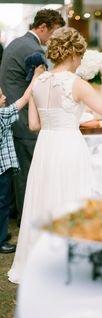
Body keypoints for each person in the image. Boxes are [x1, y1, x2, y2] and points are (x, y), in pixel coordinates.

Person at [8, 27, 102, 284]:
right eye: (80, 54)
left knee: (43, 199)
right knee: (69, 198)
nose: (81, 60)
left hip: (46, 146)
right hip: (68, 146)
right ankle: (66, 261)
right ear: (73, 53)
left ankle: (39, 260)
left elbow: (34, 125)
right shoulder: (76, 83)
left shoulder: (38, 82)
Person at [0, 9, 65, 224]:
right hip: (23, 118)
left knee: (15, 171)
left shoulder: (16, 43)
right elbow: (43, 85)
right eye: (53, 32)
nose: (53, 38)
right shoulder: (33, 49)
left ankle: (13, 214)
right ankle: (25, 220)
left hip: (11, 113)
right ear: (43, 27)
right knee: (26, 173)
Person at [0, 66, 45, 254]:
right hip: (2, 170)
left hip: (4, 168)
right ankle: (1, 240)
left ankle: (1, 233)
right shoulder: (2, 115)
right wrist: (35, 77)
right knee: (2, 202)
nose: (4, 97)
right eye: (0, 95)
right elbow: (24, 99)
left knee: (3, 202)